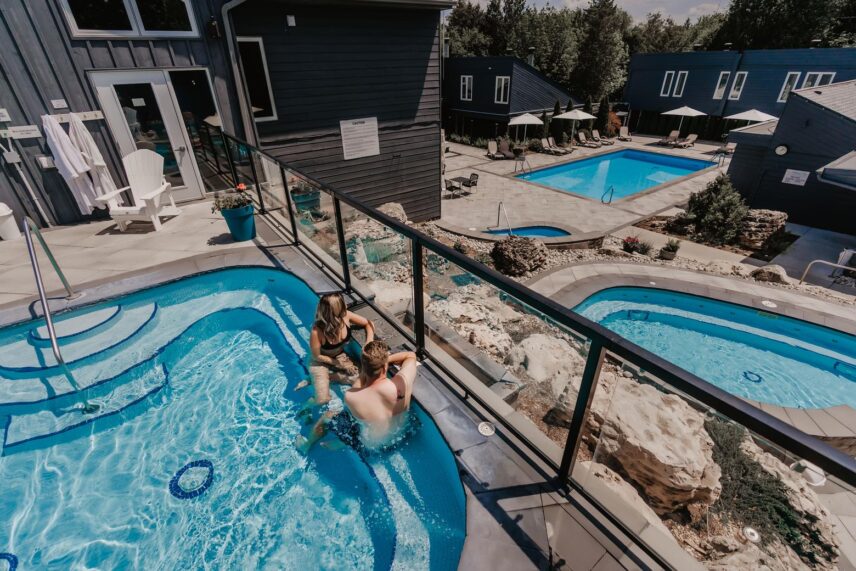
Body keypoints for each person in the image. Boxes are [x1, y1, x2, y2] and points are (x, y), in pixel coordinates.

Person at [299, 292, 375, 407]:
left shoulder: (346, 316)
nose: (346, 304)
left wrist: (369, 342)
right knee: (322, 400)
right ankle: (306, 408)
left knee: (362, 379)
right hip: (319, 362)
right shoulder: (317, 331)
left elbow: (369, 323)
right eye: (342, 303)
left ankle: (324, 378)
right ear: (336, 308)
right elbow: (316, 356)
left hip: (340, 356)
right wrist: (339, 364)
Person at [344, 340, 419, 444]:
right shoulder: (401, 384)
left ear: (364, 368)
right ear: (384, 367)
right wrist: (385, 361)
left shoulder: (351, 396)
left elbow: (358, 383)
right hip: (403, 435)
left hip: (372, 446)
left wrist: (367, 368)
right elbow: (411, 356)